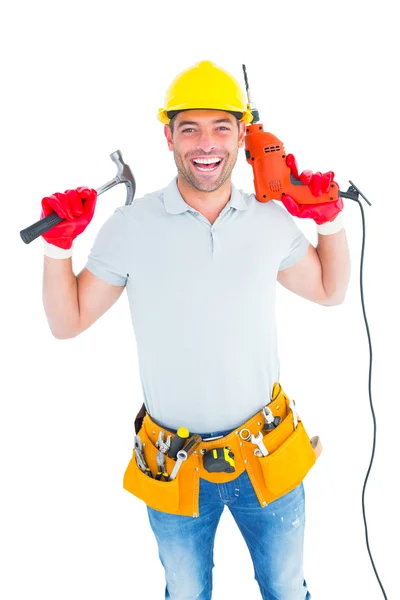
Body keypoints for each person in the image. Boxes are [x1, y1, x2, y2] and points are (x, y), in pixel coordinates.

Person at [41, 60, 350, 600]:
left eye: (221, 127)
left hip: (267, 453)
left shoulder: (269, 221)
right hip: (172, 466)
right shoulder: (130, 228)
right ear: (168, 136)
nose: (206, 143)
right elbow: (67, 324)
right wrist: (56, 247)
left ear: (242, 135)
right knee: (184, 594)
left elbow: (330, 290)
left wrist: (330, 220)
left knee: (285, 588)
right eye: (190, 128)